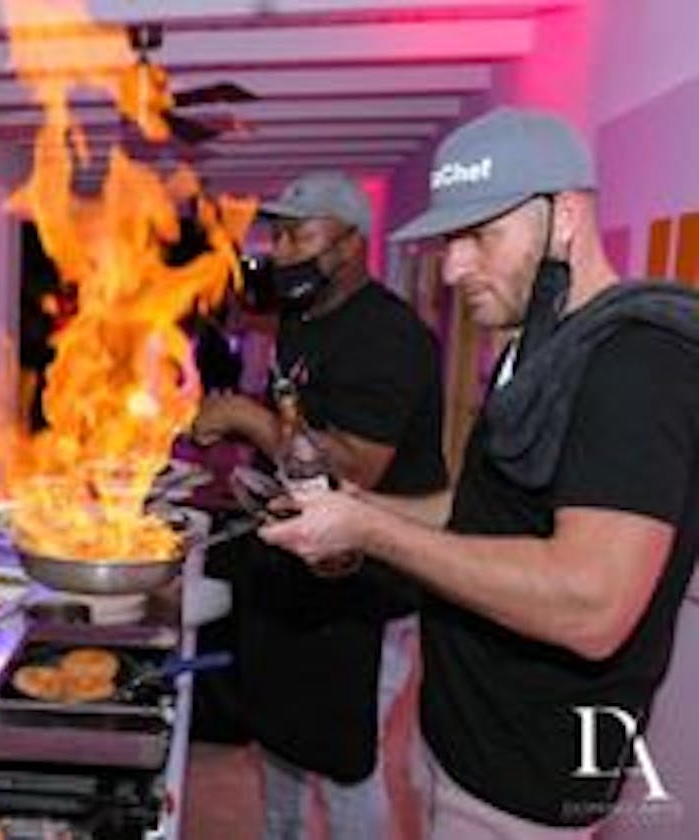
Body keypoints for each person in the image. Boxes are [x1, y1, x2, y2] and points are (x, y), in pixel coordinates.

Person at [260, 108, 699, 838]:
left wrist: (369, 530)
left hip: (523, 781)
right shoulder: (539, 347)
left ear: (565, 218)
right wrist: (358, 503)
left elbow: (592, 605)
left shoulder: (636, 367)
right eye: (449, 240)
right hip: (458, 737)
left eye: (479, 235)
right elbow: (481, 505)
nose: (453, 266)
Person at [192, 171, 447, 839]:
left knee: (345, 766)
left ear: (351, 243)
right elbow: (298, 438)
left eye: (298, 235)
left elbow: (358, 465)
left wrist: (247, 419)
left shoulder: (390, 336)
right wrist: (250, 483)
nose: (280, 251)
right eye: (277, 235)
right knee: (278, 738)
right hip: (302, 573)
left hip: (369, 590)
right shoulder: (300, 320)